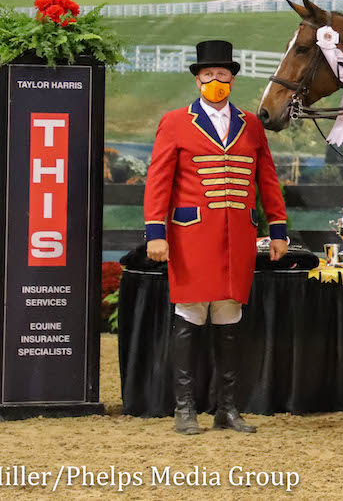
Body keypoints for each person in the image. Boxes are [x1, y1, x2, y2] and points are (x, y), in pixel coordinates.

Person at [144, 40, 289, 435]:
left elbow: (268, 180)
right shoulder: (174, 122)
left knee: (229, 317)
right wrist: (155, 232)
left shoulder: (251, 123)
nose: (215, 81)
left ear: (232, 79)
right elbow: (158, 181)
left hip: (237, 238)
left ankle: (227, 408)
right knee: (190, 314)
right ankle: (184, 407)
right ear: (197, 80)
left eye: (222, 75)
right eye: (207, 75)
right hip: (191, 236)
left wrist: (278, 228)